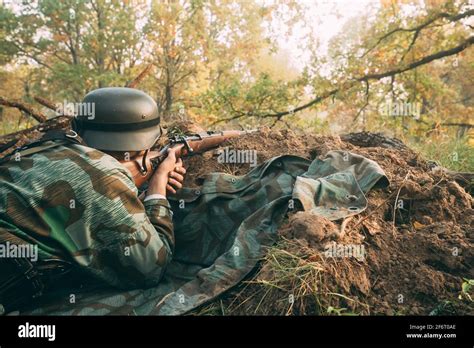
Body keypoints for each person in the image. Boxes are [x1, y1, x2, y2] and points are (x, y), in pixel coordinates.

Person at [0, 87, 185, 313]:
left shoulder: (39, 149)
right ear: (145, 148)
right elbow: (151, 267)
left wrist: (137, 199)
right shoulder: (104, 174)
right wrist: (157, 189)